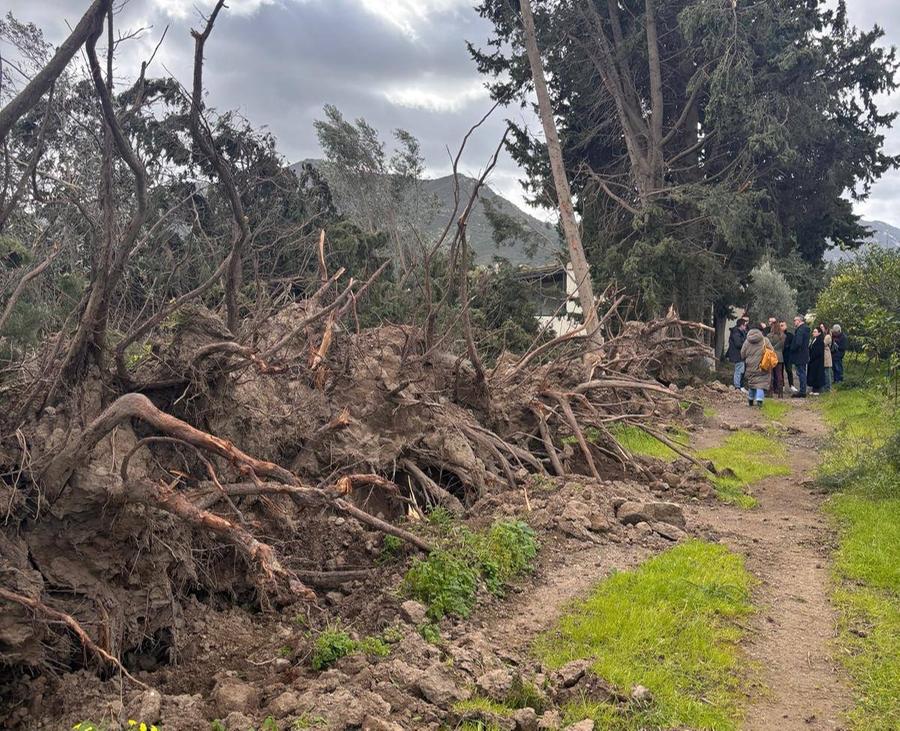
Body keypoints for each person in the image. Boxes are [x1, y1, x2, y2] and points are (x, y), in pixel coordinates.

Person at [740, 327, 773, 407]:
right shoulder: (765, 340)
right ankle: (759, 401)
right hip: (762, 366)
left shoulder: (747, 341)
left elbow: (742, 354)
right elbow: (771, 351)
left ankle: (750, 400)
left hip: (750, 366)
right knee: (760, 385)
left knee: (752, 384)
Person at [790, 315, 810, 398]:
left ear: (799, 320)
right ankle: (803, 390)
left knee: (801, 373)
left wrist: (792, 348)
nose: (794, 322)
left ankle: (802, 391)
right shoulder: (805, 329)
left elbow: (798, 343)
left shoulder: (800, 330)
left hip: (800, 354)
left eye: (795, 320)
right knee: (802, 372)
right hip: (804, 354)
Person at [726, 318, 749, 392]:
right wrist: (746, 344)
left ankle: (739, 386)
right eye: (745, 325)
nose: (745, 327)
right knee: (738, 370)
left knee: (741, 370)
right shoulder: (736, 333)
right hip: (737, 355)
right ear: (741, 325)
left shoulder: (740, 332)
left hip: (740, 355)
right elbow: (738, 344)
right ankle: (737, 386)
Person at [769, 321, 786, 398]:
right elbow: (782, 348)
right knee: (779, 375)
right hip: (779, 356)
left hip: (771, 356)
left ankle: (770, 391)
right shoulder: (783, 336)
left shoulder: (769, 336)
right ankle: (780, 392)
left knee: (771, 374)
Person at [808, 327, 826, 395]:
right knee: (813, 374)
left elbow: (818, 352)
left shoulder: (820, 341)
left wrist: (812, 356)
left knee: (817, 374)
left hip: (818, 361)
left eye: (815, 332)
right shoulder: (814, 340)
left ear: (819, 333)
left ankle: (817, 389)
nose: (813, 333)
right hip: (813, 360)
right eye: (813, 331)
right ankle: (814, 388)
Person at [782, 321, 795, 392]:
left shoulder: (790, 335)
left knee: (789, 370)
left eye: (783, 325)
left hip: (788, 356)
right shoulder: (777, 335)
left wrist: (787, 347)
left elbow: (792, 345)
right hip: (780, 356)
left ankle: (791, 385)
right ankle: (782, 386)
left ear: (786, 326)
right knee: (780, 372)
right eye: (780, 325)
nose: (781, 327)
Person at [822, 326, 833, 393]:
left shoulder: (827, 336)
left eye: (822, 327)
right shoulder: (825, 336)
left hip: (826, 356)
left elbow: (823, 344)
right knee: (826, 372)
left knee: (827, 372)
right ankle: (826, 387)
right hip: (824, 355)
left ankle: (828, 388)